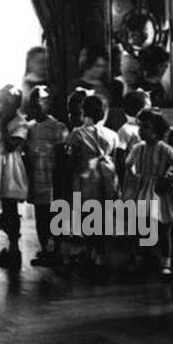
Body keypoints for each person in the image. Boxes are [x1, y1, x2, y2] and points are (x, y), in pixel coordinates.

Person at [123, 108, 173, 278]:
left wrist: (168, 180)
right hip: (142, 189)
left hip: (159, 191)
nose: (141, 130)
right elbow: (127, 164)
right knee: (141, 225)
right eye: (140, 127)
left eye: (146, 127)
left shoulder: (165, 149)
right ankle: (143, 258)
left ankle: (166, 262)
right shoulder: (138, 148)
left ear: (157, 130)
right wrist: (133, 179)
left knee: (163, 227)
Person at [66, 91, 120, 269]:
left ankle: (90, 251)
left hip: (86, 176)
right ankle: (101, 252)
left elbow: (72, 157)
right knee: (104, 213)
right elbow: (117, 157)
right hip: (108, 175)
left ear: (83, 112)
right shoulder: (112, 134)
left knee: (88, 214)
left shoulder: (77, 133)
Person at [0, 84, 29, 268]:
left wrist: (2, 125)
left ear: (15, 105)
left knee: (10, 208)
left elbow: (12, 145)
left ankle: (14, 249)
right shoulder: (1, 121)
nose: (1, 106)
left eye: (5, 102)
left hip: (10, 169)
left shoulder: (19, 122)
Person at [23, 86, 68, 267]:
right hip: (37, 178)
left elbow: (62, 156)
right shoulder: (29, 128)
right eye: (32, 104)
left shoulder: (57, 127)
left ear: (47, 104)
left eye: (39, 103)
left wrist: (61, 179)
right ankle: (44, 249)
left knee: (55, 214)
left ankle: (57, 250)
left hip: (53, 177)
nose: (35, 108)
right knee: (41, 215)